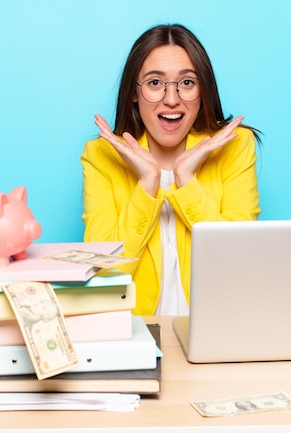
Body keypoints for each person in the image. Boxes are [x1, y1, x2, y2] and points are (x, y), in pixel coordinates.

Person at [81, 23, 261, 316]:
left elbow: (239, 261)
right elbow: (102, 272)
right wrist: (147, 183)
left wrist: (186, 180)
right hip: (135, 332)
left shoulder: (235, 146)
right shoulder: (101, 156)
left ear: (203, 90)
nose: (172, 99)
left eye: (187, 82)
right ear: (133, 94)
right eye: (154, 83)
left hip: (217, 328)